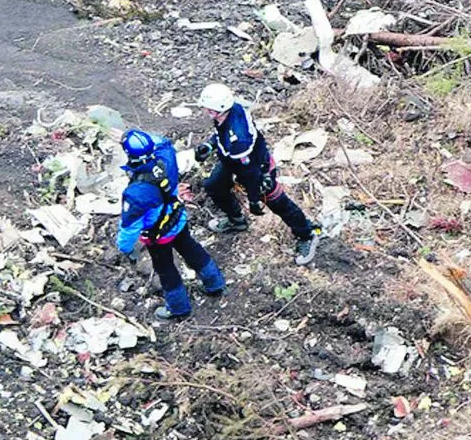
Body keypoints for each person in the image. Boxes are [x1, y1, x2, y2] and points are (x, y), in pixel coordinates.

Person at [196, 84, 320, 267]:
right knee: (214, 186)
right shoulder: (232, 110)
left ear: (218, 110)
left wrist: (254, 199)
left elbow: (250, 173)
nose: (205, 111)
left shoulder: (238, 138)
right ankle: (236, 220)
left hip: (257, 170)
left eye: (208, 108)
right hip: (232, 162)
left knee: (278, 203)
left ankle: (307, 234)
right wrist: (209, 145)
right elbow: (221, 134)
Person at [116, 128, 225, 320]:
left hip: (158, 235)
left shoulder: (136, 193)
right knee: (192, 249)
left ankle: (178, 308)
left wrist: (124, 248)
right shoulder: (166, 157)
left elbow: (130, 227)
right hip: (177, 218)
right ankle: (214, 283)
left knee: (165, 269)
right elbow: (164, 142)